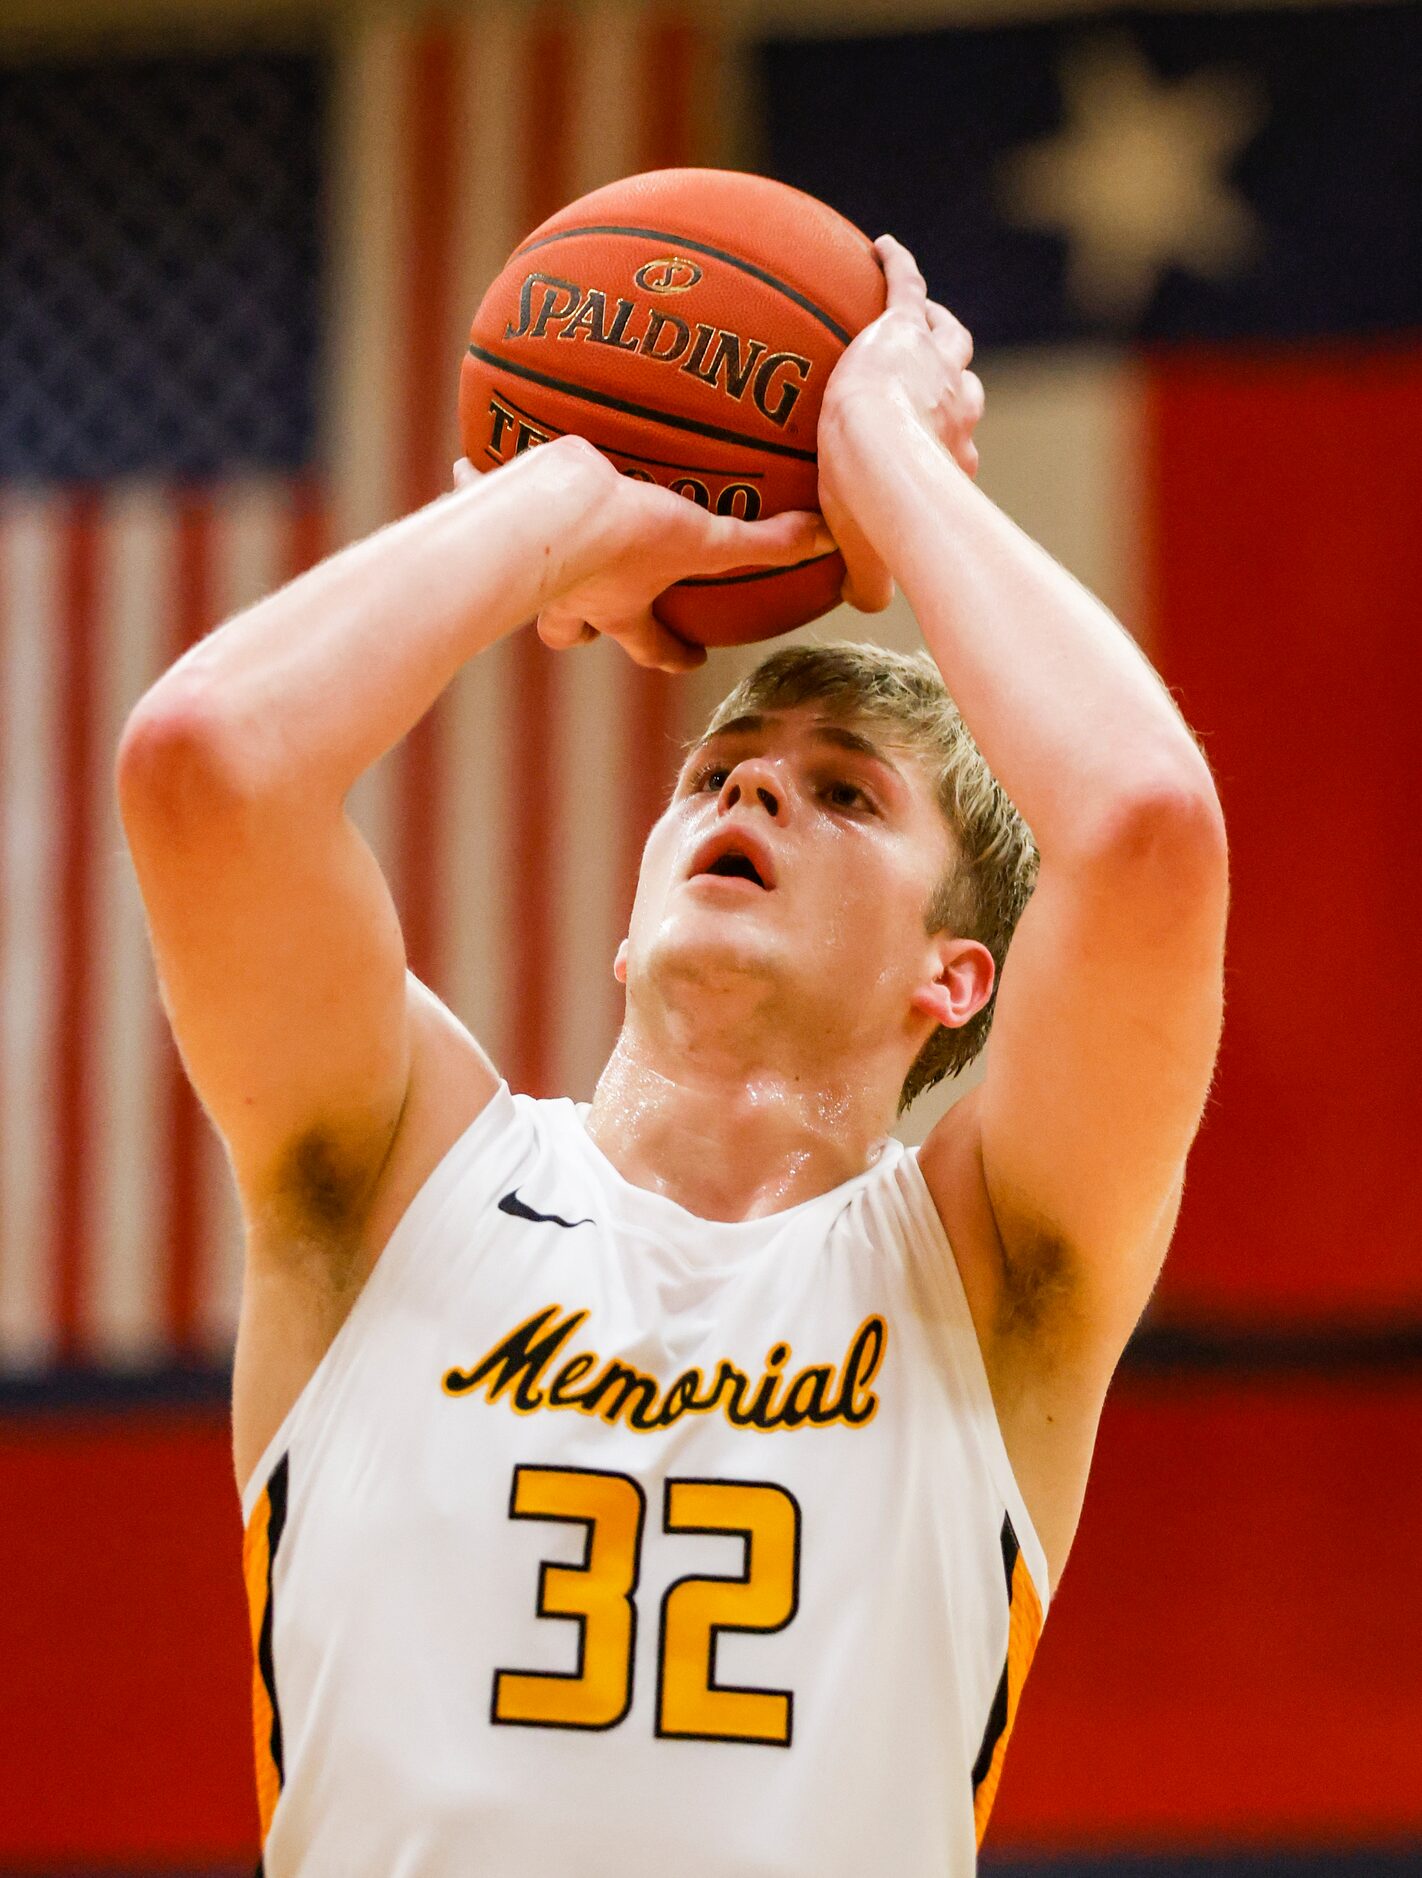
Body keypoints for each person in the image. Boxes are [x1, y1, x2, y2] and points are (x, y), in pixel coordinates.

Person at [118, 235, 1228, 1876]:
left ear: (955, 972)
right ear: (628, 930)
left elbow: (1142, 829)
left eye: (843, 791)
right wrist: (556, 509)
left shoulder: (996, 1276)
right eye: (715, 774)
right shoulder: (403, 1167)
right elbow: (207, 768)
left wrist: (888, 471)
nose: (751, 796)